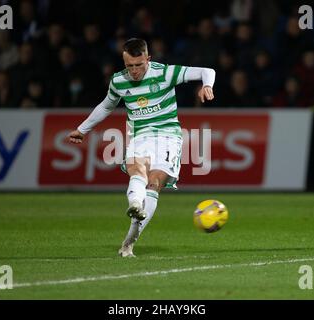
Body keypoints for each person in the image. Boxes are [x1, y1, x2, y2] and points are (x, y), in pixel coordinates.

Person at [68, 38, 215, 257]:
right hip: (139, 135)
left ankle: (129, 241)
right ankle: (135, 204)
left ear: (148, 59)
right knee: (138, 170)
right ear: (123, 62)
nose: (134, 71)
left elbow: (207, 70)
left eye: (139, 65)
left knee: (154, 183)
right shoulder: (118, 81)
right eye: (129, 66)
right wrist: (82, 129)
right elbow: (106, 106)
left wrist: (207, 85)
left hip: (168, 136)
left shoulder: (165, 73)